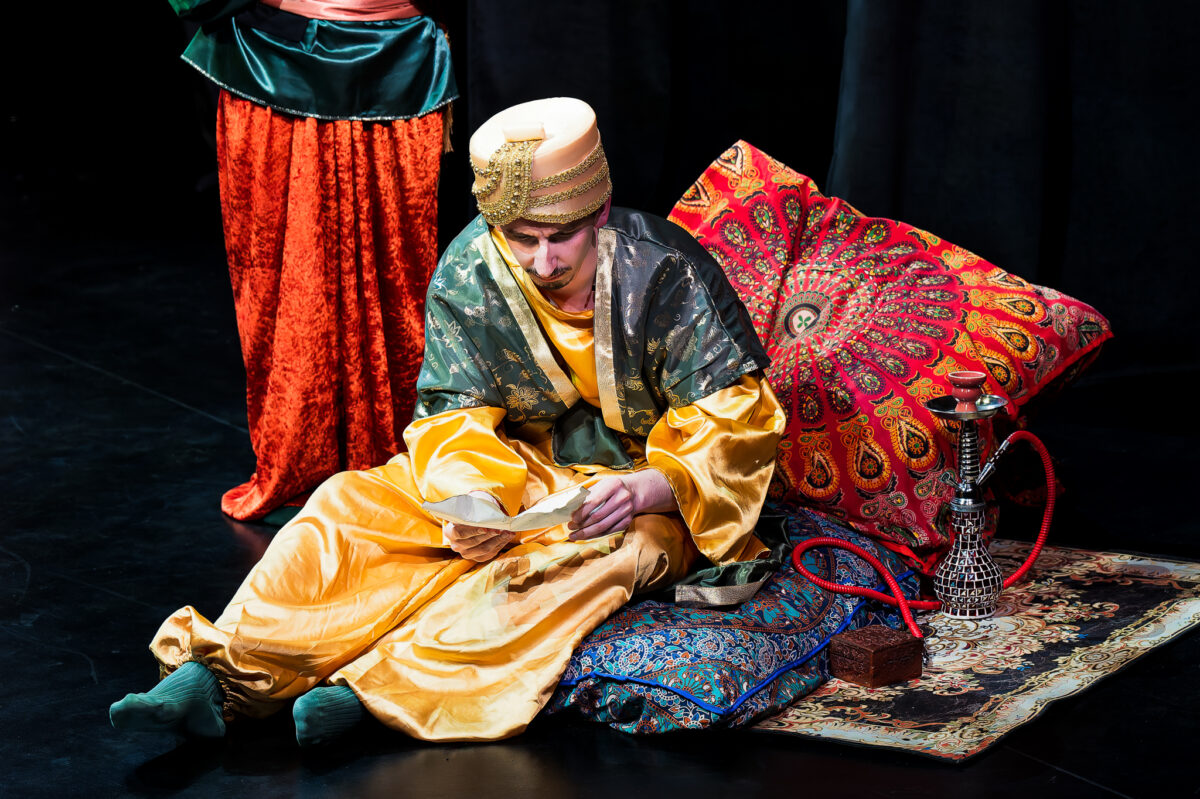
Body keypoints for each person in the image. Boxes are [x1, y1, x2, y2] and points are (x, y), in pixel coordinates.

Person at [110, 97, 786, 744]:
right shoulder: (473, 267)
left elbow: (736, 426)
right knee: (347, 507)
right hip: (518, 468)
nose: (543, 262)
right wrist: (476, 498)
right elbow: (453, 413)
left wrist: (644, 490)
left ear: (600, 210)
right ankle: (218, 673)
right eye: (522, 239)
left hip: (643, 491)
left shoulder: (665, 272)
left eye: (562, 237)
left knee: (571, 569)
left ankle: (380, 696)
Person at [168, 0, 457, 520]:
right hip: (287, 63)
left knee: (383, 284)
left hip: (380, 59)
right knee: (303, 285)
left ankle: (381, 451)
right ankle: (326, 451)